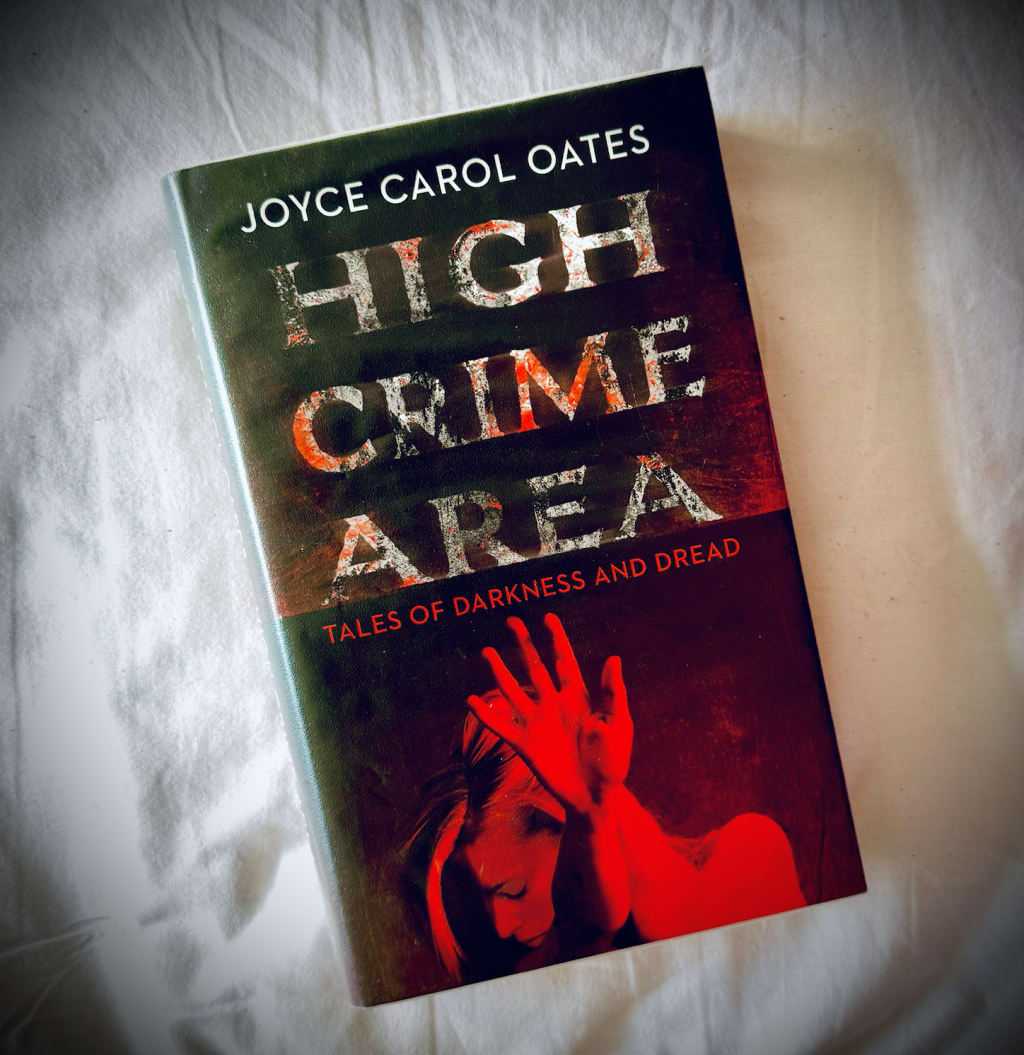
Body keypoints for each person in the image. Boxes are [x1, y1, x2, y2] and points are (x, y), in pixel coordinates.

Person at [405, 612, 806, 983]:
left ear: (564, 825)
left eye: (514, 889)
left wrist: (597, 800)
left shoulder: (751, 852)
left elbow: (686, 928)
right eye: (480, 909)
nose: (501, 927)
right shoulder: (533, 968)